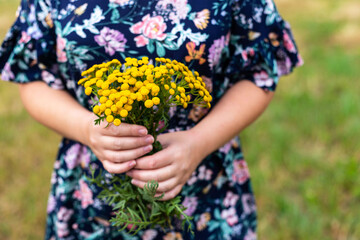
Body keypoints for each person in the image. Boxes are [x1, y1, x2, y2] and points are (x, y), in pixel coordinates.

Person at [0, 0, 302, 239]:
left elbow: (259, 72)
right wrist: (88, 129)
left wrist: (197, 143)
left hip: (204, 183)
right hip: (93, 188)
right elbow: (33, 75)